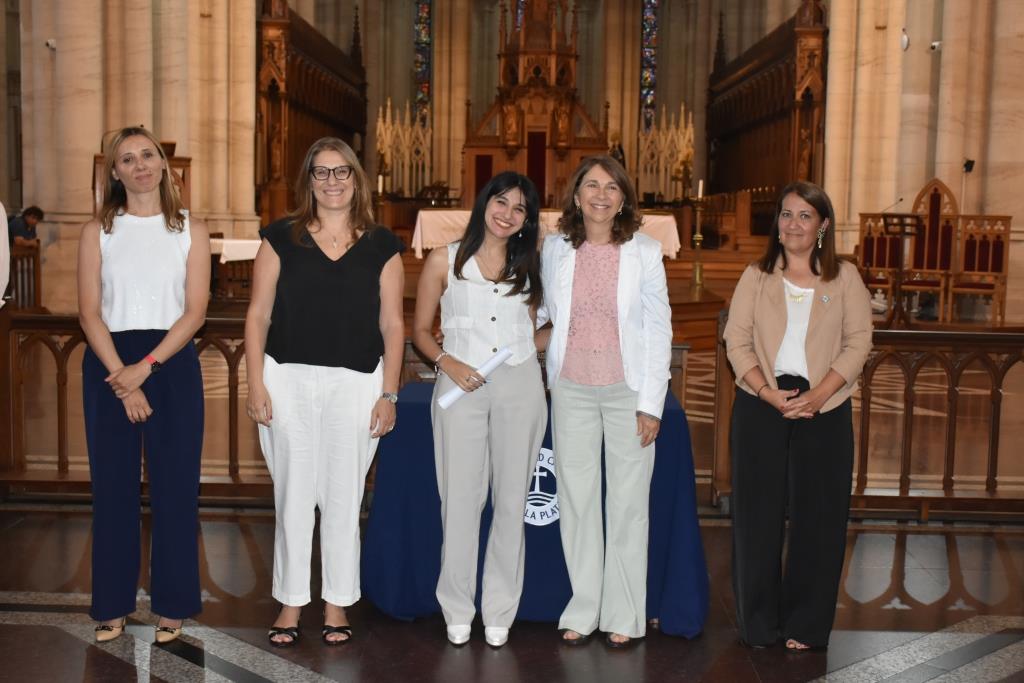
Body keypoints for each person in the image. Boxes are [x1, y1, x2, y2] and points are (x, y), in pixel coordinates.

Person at [245, 137, 404, 647]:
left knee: (342, 496)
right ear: (307, 180)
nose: (332, 182)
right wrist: (254, 382)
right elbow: (258, 314)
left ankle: (336, 601)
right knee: (293, 495)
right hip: (287, 378)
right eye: (321, 173)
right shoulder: (279, 238)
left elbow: (394, 325)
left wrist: (390, 393)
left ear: (356, 179)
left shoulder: (382, 244)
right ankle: (292, 601)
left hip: (356, 382)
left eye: (341, 172)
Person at [723, 180, 872, 651]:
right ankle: (760, 624)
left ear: (823, 224)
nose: (793, 224)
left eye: (804, 215)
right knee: (757, 519)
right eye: (786, 215)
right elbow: (736, 339)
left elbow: (859, 342)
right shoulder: (756, 275)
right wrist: (767, 392)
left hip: (824, 407)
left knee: (819, 519)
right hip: (760, 403)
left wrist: (821, 393)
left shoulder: (845, 278)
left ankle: (806, 625)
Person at [77, 126, 210, 644]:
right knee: (113, 490)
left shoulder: (189, 230)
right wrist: (124, 380)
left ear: (164, 165)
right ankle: (111, 604)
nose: (140, 166)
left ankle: (173, 605)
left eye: (148, 155)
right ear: (114, 172)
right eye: (127, 159)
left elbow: (195, 312)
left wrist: (146, 368)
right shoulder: (98, 231)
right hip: (109, 361)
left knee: (176, 489)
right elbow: (89, 313)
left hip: (170, 362)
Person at [540, 155, 672, 648]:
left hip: (627, 390)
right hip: (571, 387)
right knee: (575, 501)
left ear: (623, 198)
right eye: (591, 185)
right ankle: (584, 607)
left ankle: (624, 612)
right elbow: (544, 311)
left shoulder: (646, 251)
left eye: (611, 187)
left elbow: (659, 330)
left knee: (628, 503)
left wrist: (651, 404)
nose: (600, 194)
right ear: (576, 196)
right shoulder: (555, 248)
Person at [412, 172, 546, 648]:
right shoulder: (444, 259)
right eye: (501, 201)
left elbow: (550, 326)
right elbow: (421, 333)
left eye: (519, 209)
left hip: (520, 388)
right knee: (461, 500)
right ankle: (456, 606)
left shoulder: (533, 265)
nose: (507, 214)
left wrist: (522, 348)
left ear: (527, 220)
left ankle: (500, 608)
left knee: (511, 501)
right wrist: (449, 362)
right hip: (459, 384)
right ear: (484, 202)